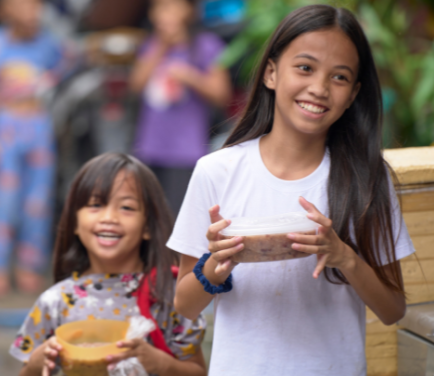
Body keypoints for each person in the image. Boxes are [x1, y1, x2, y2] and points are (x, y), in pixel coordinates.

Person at [170, 5, 416, 376]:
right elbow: (184, 305)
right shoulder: (216, 171)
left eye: (339, 77)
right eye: (305, 67)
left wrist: (344, 257)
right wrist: (215, 267)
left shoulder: (367, 178)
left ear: (353, 94)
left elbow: (393, 309)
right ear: (271, 72)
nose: (318, 88)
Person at [10, 153, 208, 376]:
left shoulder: (170, 295)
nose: (109, 217)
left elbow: (199, 372)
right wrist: (36, 364)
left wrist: (162, 364)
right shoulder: (54, 302)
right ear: (75, 222)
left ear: (147, 227)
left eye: (127, 208)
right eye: (96, 205)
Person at [0, 0, 68, 297]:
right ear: (4, 9)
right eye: (24, 4)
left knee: (37, 199)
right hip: (6, 126)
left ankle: (29, 264)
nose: (33, 11)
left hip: (39, 125)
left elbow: (71, 60)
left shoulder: (49, 44)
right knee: (3, 198)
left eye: (37, 5)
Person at [129, 0, 232, 217]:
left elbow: (222, 94)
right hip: (149, 147)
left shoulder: (206, 45)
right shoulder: (151, 44)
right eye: (159, 7)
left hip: (186, 150)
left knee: (178, 216)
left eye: (172, 6)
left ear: (190, 10)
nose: (164, 14)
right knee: (147, 216)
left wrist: (190, 76)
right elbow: (135, 85)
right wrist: (161, 47)